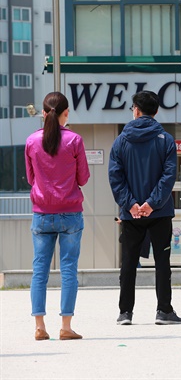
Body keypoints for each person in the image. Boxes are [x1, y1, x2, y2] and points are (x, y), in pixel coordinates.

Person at [109, 90, 181, 325]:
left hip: (130, 215)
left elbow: (115, 176)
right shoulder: (166, 140)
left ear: (136, 110)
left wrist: (130, 204)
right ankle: (164, 311)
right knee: (162, 263)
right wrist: (152, 203)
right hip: (160, 212)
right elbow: (169, 175)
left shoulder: (120, 141)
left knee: (129, 263)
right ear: (156, 111)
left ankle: (125, 313)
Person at [25, 91, 90, 341]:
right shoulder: (75, 140)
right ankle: (66, 326)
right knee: (69, 270)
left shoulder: (32, 141)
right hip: (71, 212)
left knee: (39, 270)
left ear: (43, 113)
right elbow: (83, 178)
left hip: (42, 213)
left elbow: (31, 179)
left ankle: (40, 327)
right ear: (66, 114)